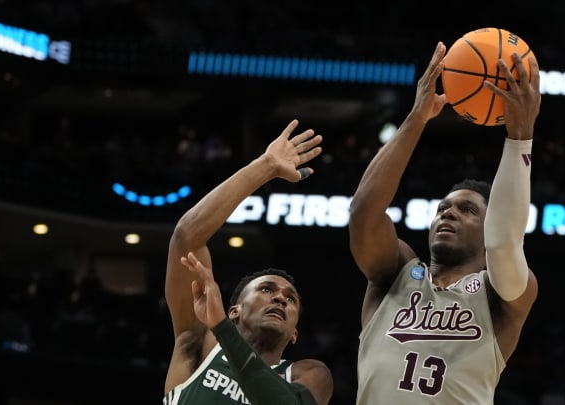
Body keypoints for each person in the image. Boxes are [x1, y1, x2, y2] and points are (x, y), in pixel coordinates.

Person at [348, 41, 541, 404]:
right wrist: (416, 117)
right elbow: (363, 213)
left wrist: (520, 139)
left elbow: (503, 244)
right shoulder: (395, 274)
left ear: (490, 226)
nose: (448, 213)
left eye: (467, 211)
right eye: (443, 208)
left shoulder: (503, 295)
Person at [163, 119, 334, 405]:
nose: (281, 297)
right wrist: (265, 166)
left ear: (294, 334)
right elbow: (186, 239)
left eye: (291, 299)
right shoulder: (198, 344)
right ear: (233, 312)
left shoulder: (308, 374)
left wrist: (222, 329)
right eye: (266, 290)